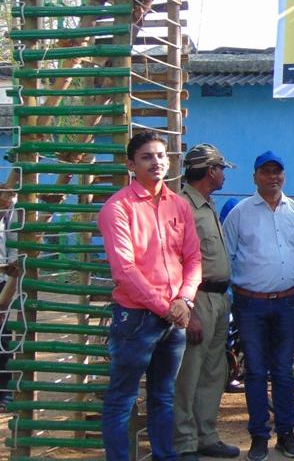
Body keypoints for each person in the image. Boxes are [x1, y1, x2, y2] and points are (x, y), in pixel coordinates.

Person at [99, 132, 202, 461]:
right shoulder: (118, 208)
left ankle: (165, 456)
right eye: (146, 156)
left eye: (161, 155)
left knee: (163, 396)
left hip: (175, 320)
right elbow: (125, 271)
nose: (156, 161)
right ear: (131, 164)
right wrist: (167, 307)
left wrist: (185, 301)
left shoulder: (179, 205)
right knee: (122, 399)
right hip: (136, 321)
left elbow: (194, 259)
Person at [223, 151, 294, 461]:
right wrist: (239, 294)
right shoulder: (240, 213)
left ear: (284, 176)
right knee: (257, 372)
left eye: (278, 172)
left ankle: (286, 434)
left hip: (287, 302)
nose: (272, 177)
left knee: (285, 372)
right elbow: (227, 256)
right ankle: (259, 436)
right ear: (254, 176)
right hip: (251, 305)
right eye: (266, 172)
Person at [174, 144, 241, 461]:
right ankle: (184, 442)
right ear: (211, 170)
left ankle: (206, 436)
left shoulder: (207, 204)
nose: (224, 174)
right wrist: (188, 311)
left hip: (218, 298)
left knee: (214, 372)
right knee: (188, 373)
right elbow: (174, 261)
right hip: (197, 298)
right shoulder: (181, 205)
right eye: (222, 169)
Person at [0, 187, 20, 412]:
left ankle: (4, 391)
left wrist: (11, 275)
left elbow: (14, 235)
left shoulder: (5, 199)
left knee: (2, 337)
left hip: (1, 276)